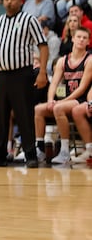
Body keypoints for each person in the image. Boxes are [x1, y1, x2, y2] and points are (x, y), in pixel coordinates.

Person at [0, 0, 48, 168]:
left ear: (20, 1)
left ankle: (30, 155)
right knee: (0, 116)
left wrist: (42, 71)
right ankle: (0, 155)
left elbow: (43, 46)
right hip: (0, 76)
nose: (9, 2)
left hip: (21, 75)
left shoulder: (29, 19)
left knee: (25, 115)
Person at [32, 28, 92, 165]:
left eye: (84, 38)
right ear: (73, 38)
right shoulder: (62, 61)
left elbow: (82, 88)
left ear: (88, 41)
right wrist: (50, 100)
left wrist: (61, 102)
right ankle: (39, 149)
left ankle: (64, 151)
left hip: (80, 99)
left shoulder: (89, 60)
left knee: (58, 108)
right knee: (39, 109)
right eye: (79, 37)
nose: (81, 39)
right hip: (66, 100)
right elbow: (53, 83)